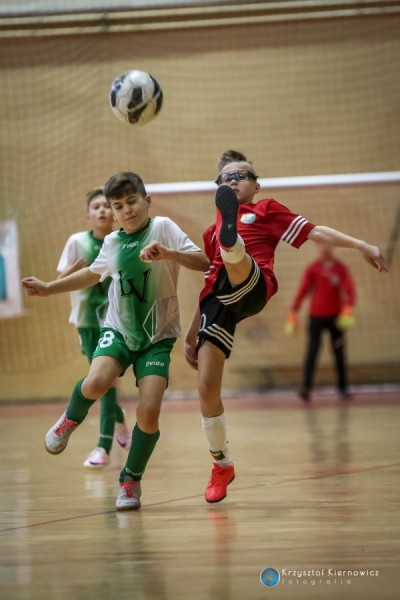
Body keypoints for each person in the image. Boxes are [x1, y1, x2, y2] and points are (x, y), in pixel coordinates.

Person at [184, 149, 387, 504]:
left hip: (254, 282)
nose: (233, 181)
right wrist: (190, 336)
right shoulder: (209, 233)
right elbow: (208, 283)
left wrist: (361, 245)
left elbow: (316, 231)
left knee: (233, 258)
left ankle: (234, 247)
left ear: (256, 185)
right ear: (218, 188)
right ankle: (222, 465)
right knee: (206, 389)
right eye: (226, 178)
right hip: (218, 302)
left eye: (241, 176)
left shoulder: (267, 209)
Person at [22, 171, 209, 511]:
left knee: (148, 413)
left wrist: (169, 253)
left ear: (147, 200)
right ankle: (69, 420)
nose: (126, 210)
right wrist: (49, 288)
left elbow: (203, 262)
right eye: (118, 206)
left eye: (132, 202)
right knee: (96, 382)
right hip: (119, 330)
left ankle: (130, 479)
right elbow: (92, 273)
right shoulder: (112, 243)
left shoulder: (163, 227)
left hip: (157, 338)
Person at [57, 187, 130, 469]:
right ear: (88, 215)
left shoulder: (122, 241)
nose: (102, 210)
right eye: (96, 206)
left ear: (115, 212)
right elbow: (60, 282)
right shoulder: (77, 242)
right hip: (87, 321)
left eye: (106, 206)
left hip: (117, 321)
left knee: (107, 383)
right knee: (100, 383)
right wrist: (72, 272)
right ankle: (120, 419)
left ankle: (103, 447)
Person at [285, 244, 356, 401]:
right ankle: (306, 388)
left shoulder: (340, 268)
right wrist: (294, 310)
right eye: (321, 246)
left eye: (327, 246)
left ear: (332, 248)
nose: (324, 249)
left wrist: (348, 306)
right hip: (316, 317)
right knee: (312, 352)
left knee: (339, 352)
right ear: (318, 249)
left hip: (335, 318)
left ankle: (343, 388)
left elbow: (349, 288)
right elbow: (303, 289)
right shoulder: (313, 269)